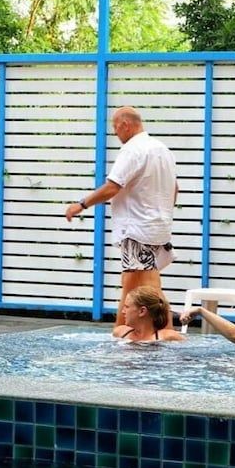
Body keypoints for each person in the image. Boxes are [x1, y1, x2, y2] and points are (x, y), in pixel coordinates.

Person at [64, 106, 178, 334]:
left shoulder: (132, 150)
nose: (115, 133)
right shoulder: (163, 150)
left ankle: (167, 334)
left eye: (115, 128)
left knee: (148, 286)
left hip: (137, 228)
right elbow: (175, 189)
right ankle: (123, 332)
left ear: (125, 125)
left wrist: (81, 204)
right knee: (132, 285)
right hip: (158, 226)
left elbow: (112, 187)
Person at [112, 286, 185, 343]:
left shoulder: (168, 337)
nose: (123, 311)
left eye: (127, 307)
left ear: (142, 311)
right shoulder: (120, 333)